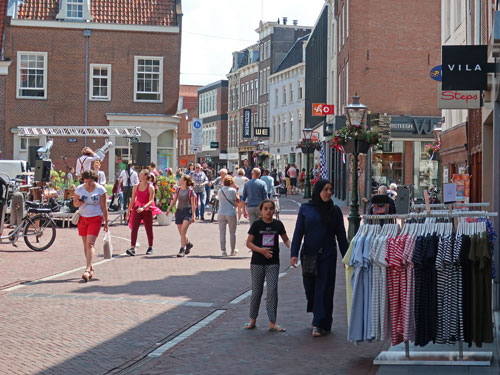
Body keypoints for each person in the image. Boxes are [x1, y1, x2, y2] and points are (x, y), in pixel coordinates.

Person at [290, 179, 348, 337]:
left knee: (324, 289)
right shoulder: (306, 209)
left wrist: (346, 257)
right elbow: (298, 233)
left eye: (331, 189)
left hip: (328, 255)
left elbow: (341, 236)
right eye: (325, 189)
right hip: (309, 254)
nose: (329, 192)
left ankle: (318, 322)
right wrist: (294, 253)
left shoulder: (334, 210)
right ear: (318, 191)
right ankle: (321, 318)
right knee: (310, 289)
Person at [244, 199, 291, 332]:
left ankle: (272, 322)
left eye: (271, 208)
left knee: (272, 291)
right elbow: (248, 243)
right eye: (266, 209)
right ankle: (252, 320)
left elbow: (286, 239)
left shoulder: (278, 224)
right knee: (257, 292)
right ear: (261, 211)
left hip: (273, 263)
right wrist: (261, 251)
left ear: (274, 210)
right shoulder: (257, 225)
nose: (268, 211)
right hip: (257, 262)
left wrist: (293, 251)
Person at [73, 170, 108, 282]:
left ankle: (87, 270)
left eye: (91, 181)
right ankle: (91, 267)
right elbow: (75, 203)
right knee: (85, 245)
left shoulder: (100, 190)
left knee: (90, 244)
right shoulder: (79, 189)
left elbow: (104, 206)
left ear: (94, 180)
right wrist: (79, 202)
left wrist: (106, 221)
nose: (88, 184)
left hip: (95, 217)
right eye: (86, 181)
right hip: (83, 217)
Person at [125, 170, 156, 256]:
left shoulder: (150, 187)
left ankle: (150, 247)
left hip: (147, 210)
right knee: (134, 228)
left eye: (141, 174)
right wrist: (128, 211)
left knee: (148, 228)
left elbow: (151, 201)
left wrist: (144, 207)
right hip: (137, 209)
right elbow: (132, 200)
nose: (139, 175)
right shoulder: (135, 186)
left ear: (145, 176)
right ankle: (132, 247)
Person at [166, 174, 196, 257]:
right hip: (179, 211)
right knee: (181, 233)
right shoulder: (178, 189)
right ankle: (188, 244)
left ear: (184, 181)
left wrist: (193, 215)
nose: (179, 180)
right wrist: (169, 209)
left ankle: (182, 249)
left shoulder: (190, 191)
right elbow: (174, 199)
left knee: (183, 231)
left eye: (181, 179)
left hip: (187, 211)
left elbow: (193, 205)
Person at [217, 176, 239, 256]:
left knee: (222, 232)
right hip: (231, 212)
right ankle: (232, 250)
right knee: (232, 232)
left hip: (221, 212)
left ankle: (223, 251)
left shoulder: (220, 191)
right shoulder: (233, 190)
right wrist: (237, 190)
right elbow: (237, 200)